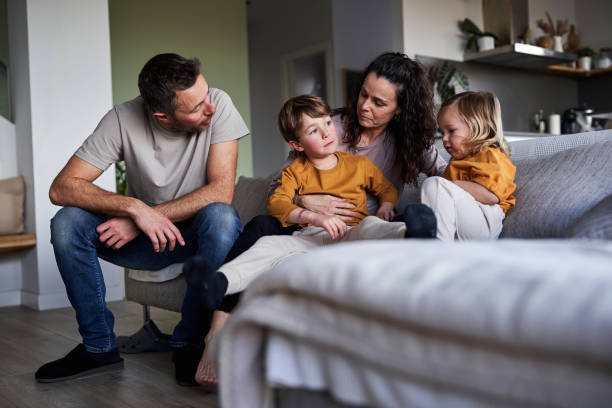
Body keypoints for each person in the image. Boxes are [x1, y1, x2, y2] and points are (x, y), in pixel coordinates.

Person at [194, 52, 446, 387]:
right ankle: (216, 330)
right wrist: (306, 202)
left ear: (400, 108)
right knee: (262, 230)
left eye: (379, 102)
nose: (365, 106)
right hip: (309, 227)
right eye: (363, 94)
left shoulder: (410, 141)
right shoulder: (332, 125)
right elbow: (279, 185)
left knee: (392, 223)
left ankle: (412, 236)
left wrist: (488, 162)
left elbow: (446, 170)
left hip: (363, 227)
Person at [35, 53, 249, 386]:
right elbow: (61, 187)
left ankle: (189, 343)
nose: (210, 108)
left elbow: (221, 191)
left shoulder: (218, 104)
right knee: (67, 223)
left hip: (196, 235)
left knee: (222, 217)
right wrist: (134, 208)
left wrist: (144, 216)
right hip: (145, 243)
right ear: (162, 116)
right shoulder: (122, 119)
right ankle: (99, 348)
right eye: (195, 107)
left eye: (205, 96)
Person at [184, 94, 415, 311]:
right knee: (268, 246)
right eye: (314, 130)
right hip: (310, 237)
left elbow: (386, 189)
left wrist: (386, 205)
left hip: (352, 232)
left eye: (327, 123)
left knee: (372, 226)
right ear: (298, 145)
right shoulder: (294, 172)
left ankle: (413, 233)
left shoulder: (359, 165)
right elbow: (277, 203)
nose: (326, 133)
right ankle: (218, 283)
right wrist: (312, 216)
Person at [420, 91, 516, 240]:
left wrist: (450, 186)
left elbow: (491, 196)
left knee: (435, 184)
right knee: (378, 224)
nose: (444, 139)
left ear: (477, 126)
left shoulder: (492, 156)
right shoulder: (455, 164)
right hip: (460, 224)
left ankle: (437, 248)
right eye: (442, 132)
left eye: (451, 131)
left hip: (484, 220)